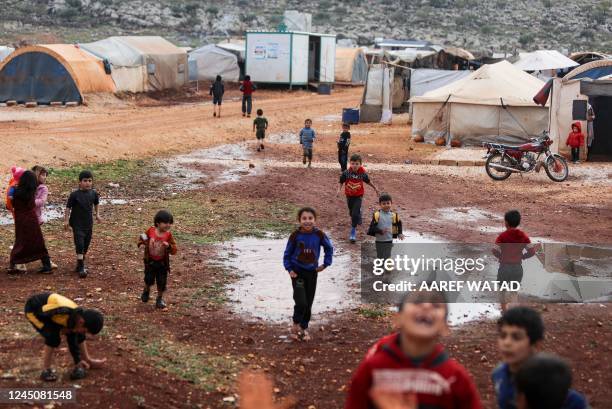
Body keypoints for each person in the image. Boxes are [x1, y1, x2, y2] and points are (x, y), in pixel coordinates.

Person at [345, 291, 482, 409]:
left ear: (445, 327)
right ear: (397, 319)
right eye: (416, 302)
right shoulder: (373, 370)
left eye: (436, 305)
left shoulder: (454, 378)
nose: (426, 306)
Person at [492, 307, 588, 409]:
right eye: (503, 336)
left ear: (536, 344)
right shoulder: (499, 374)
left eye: (516, 337)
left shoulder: (551, 387)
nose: (507, 343)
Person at [24, 292, 105, 381]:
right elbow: (42, 312)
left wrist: (78, 361)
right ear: (81, 321)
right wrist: (59, 330)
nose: (84, 332)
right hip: (35, 310)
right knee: (52, 337)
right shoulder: (62, 310)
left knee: (77, 334)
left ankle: (86, 360)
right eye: (85, 330)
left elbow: (73, 340)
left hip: (53, 315)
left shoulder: (76, 317)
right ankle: (45, 370)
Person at [283, 207, 333, 341]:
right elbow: (287, 254)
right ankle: (295, 324)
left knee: (309, 302)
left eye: (310, 218)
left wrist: (325, 264)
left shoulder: (319, 234)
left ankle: (303, 328)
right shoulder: (295, 236)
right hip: (297, 273)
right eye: (304, 218)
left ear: (315, 220)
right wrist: (289, 269)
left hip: (312, 273)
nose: (307, 221)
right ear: (299, 220)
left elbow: (329, 248)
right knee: (300, 300)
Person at [8, 170, 55, 274]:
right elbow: (32, 205)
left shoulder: (15, 191)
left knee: (20, 241)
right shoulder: (31, 193)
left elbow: (11, 203)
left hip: (20, 219)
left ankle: (15, 265)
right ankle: (47, 266)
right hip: (32, 219)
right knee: (38, 242)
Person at [492, 210, 536, 312]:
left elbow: (494, 250)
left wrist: (501, 257)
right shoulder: (523, 236)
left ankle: (504, 311)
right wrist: (523, 257)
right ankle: (513, 313)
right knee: (513, 292)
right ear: (518, 222)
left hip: (504, 268)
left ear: (506, 222)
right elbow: (532, 251)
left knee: (502, 291)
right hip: (517, 268)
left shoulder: (502, 236)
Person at [64, 170, 101, 278]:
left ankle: (80, 262)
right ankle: (81, 266)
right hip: (77, 223)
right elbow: (68, 207)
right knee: (79, 243)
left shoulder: (93, 193)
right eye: (85, 181)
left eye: (90, 181)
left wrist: (97, 214)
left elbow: (96, 203)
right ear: (80, 182)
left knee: (86, 244)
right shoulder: (74, 195)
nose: (88, 183)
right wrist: (66, 220)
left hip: (88, 223)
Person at [138, 210, 178, 310]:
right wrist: (142, 242)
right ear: (157, 223)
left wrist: (169, 246)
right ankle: (146, 291)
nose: (168, 225)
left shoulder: (168, 235)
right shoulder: (151, 231)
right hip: (150, 262)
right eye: (165, 222)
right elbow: (142, 236)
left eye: (170, 223)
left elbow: (174, 249)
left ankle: (159, 299)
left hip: (162, 263)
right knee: (148, 279)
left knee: (161, 282)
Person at [338, 154, 379, 243]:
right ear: (350, 164)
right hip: (349, 195)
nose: (354, 166)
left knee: (354, 214)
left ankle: (353, 232)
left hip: (358, 196)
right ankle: (358, 214)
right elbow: (341, 181)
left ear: (360, 164)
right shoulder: (346, 173)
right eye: (353, 163)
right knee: (351, 212)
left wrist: (375, 188)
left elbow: (368, 181)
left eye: (357, 164)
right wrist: (338, 190)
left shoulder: (362, 173)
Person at [367, 193, 405, 263]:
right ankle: (380, 268)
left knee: (387, 254)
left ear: (391, 203)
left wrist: (400, 233)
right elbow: (372, 227)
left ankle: (388, 265)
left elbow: (399, 224)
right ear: (380, 204)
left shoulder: (394, 215)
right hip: (379, 240)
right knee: (380, 255)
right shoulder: (377, 215)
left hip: (389, 239)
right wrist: (380, 231)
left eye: (388, 203)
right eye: (384, 204)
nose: (386, 205)